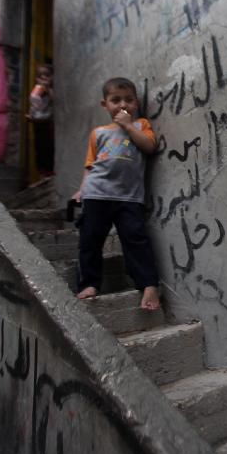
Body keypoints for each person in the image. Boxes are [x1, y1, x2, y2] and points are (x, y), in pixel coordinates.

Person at [71, 77, 160, 310]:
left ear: (137, 102)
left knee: (135, 239)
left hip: (129, 198)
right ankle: (90, 283)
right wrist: (82, 189)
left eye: (129, 100)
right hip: (97, 193)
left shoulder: (141, 125)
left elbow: (150, 147)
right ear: (105, 105)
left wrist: (129, 126)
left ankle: (149, 285)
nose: (123, 104)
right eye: (116, 100)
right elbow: (90, 165)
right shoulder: (98, 133)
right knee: (90, 240)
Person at [27, 64, 55, 178]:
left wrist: (48, 89)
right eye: (40, 76)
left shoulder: (50, 90)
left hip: (47, 121)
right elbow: (34, 102)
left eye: (47, 76)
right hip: (37, 121)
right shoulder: (37, 89)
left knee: (49, 145)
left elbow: (55, 100)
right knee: (39, 146)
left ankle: (49, 169)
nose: (43, 79)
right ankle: (42, 171)